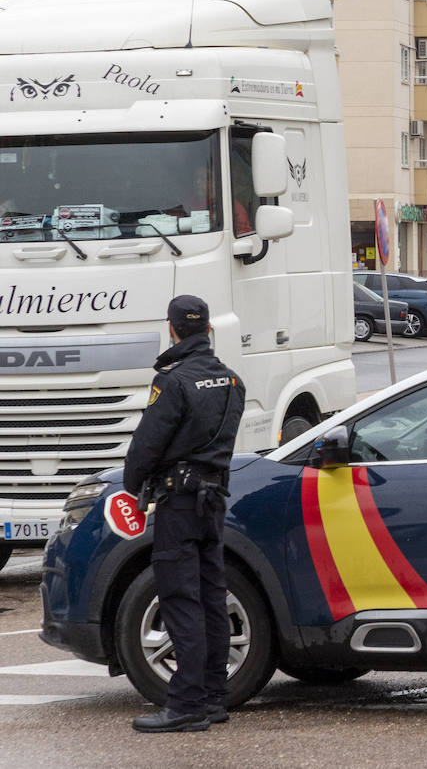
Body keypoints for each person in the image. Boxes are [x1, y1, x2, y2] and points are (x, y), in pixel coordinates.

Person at [123, 295, 245, 733]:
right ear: (208, 330)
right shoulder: (232, 380)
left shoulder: (173, 383)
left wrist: (133, 482)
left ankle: (187, 703)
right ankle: (213, 697)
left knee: (180, 599)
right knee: (212, 597)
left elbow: (146, 446)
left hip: (179, 502)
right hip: (214, 500)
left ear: (172, 330)